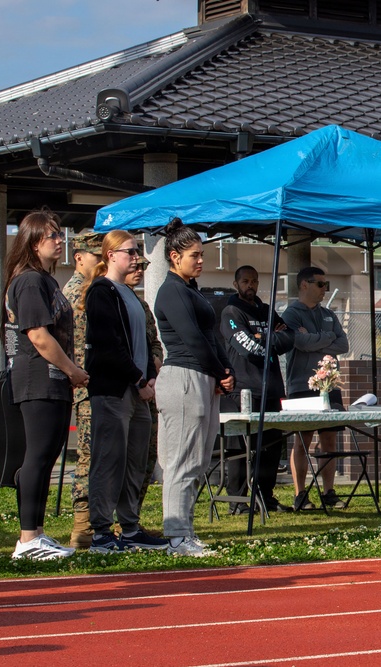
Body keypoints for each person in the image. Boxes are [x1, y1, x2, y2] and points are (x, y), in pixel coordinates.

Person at [2, 208, 89, 560]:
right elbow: (38, 336)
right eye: (52, 235)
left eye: (59, 234)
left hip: (52, 379)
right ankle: (27, 540)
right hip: (38, 376)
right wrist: (73, 370)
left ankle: (36, 532)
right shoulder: (29, 281)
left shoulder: (47, 280)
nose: (60, 240)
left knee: (48, 456)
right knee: (38, 456)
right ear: (34, 242)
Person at [81, 231, 167, 553]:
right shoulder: (102, 291)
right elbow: (108, 346)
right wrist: (139, 379)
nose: (135, 258)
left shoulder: (130, 294)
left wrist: (149, 377)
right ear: (111, 254)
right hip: (115, 390)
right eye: (130, 252)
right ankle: (101, 532)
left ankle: (129, 528)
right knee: (109, 460)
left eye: (137, 253)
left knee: (134, 462)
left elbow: (142, 343)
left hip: (137, 389)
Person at [154, 219, 234, 557]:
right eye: (194, 256)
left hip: (203, 378)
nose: (200, 261)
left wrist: (225, 372)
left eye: (201, 255)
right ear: (174, 257)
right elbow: (192, 339)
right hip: (183, 377)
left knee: (198, 460)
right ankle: (175, 536)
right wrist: (219, 371)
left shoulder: (192, 289)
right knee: (180, 461)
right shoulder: (171, 290)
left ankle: (185, 531)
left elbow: (213, 337)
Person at [219, 265, 295, 515]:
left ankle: (265, 497)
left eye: (254, 281)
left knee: (271, 448)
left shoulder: (266, 310)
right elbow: (247, 347)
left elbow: (289, 338)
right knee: (240, 448)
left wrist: (263, 339)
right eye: (245, 281)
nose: (250, 285)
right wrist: (267, 340)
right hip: (243, 389)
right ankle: (237, 502)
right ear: (235, 284)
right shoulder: (231, 311)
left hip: (272, 389)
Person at [281, 267, 349, 511]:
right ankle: (300, 495)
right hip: (302, 385)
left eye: (326, 284)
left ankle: (329, 491)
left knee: (329, 438)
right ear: (304, 285)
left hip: (330, 385)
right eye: (320, 284)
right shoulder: (291, 314)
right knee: (302, 440)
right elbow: (299, 342)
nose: (324, 289)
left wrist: (316, 338)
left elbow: (343, 343)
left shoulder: (329, 314)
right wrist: (327, 338)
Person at [61, 232, 102, 548]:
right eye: (95, 255)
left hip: (98, 385)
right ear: (79, 257)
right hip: (85, 387)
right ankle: (82, 527)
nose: (101, 261)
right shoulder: (75, 294)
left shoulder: (94, 291)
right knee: (88, 456)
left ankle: (96, 524)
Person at [123, 257, 164, 515]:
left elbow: (155, 343)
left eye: (143, 268)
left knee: (145, 458)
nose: (138, 271)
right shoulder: (106, 298)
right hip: (125, 389)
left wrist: (153, 371)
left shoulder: (141, 305)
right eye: (135, 266)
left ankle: (132, 517)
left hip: (148, 389)